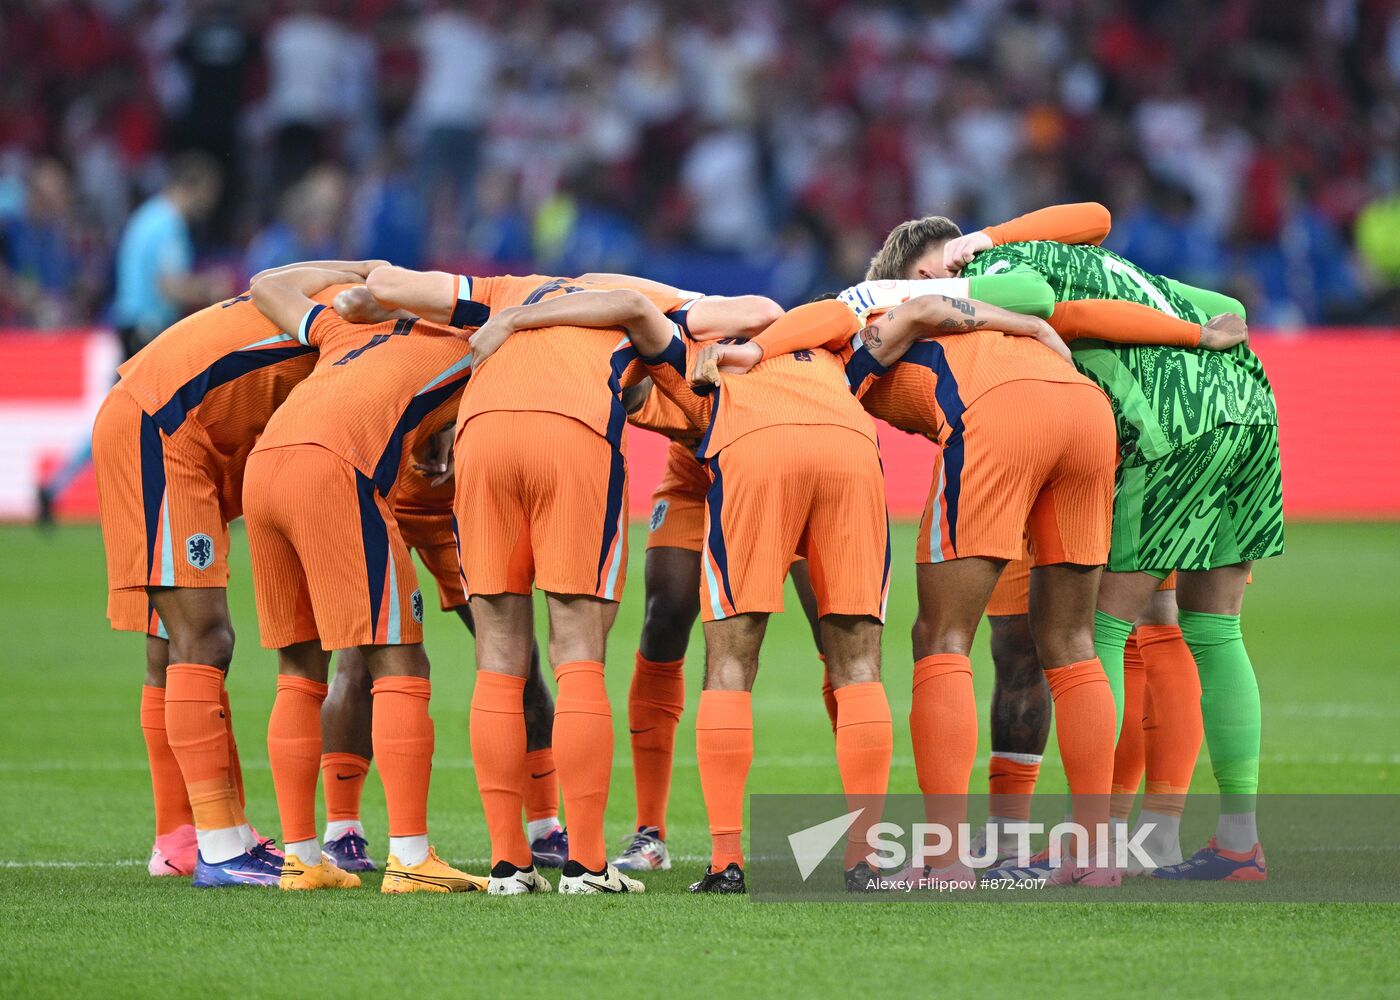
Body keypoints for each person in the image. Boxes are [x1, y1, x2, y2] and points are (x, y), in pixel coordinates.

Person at [953, 234, 1280, 881]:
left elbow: (1045, 304)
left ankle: (1090, 842)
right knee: (1207, 627)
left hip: (1169, 425)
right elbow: (1224, 304)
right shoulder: (1112, 265)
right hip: (1249, 404)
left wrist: (917, 294)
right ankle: (1229, 839)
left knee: (1094, 629)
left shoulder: (997, 271)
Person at [91, 258, 384, 886]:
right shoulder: (365, 336)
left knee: (170, 644)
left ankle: (182, 836)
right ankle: (221, 847)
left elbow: (270, 282)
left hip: (160, 420)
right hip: (166, 430)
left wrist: (362, 265)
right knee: (205, 638)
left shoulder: (323, 297)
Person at [241, 267, 485, 893]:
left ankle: (301, 859)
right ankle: (411, 860)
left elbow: (265, 284)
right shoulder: (471, 341)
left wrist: (352, 273)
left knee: (299, 669)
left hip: (264, 471)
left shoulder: (349, 332)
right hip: (335, 469)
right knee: (402, 661)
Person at [317, 428, 567, 873]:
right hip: (383, 498)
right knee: (359, 660)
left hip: (467, 503)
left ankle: (545, 826)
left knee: (519, 659)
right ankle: (342, 831)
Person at [612, 377, 827, 873]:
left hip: (782, 472)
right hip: (696, 480)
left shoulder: (801, 362)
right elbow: (633, 391)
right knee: (663, 620)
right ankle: (649, 834)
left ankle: (865, 838)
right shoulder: (692, 351)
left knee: (837, 637)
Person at [40, 153, 228, 524]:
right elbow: (169, 283)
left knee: (125, 416)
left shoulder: (147, 217)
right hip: (147, 329)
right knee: (171, 416)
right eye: (206, 197)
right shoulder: (168, 224)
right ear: (193, 188)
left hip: (133, 324)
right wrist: (210, 288)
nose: (206, 207)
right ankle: (176, 502)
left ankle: (56, 487)